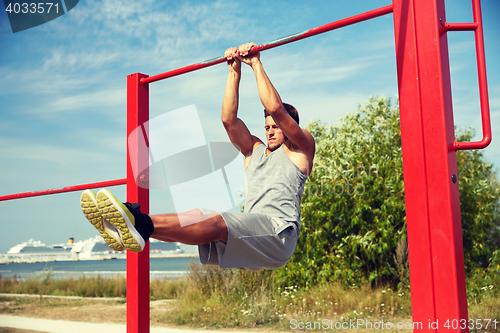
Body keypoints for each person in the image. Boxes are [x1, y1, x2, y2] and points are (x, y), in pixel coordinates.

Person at [80, 42, 315, 270]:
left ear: (290, 127)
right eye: (267, 127)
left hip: (278, 236)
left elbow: (275, 109)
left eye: (276, 126)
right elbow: (228, 120)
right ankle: (136, 226)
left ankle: (137, 221)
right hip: (253, 239)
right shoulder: (254, 151)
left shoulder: (300, 150)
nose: (271, 130)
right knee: (197, 215)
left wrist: (255, 63)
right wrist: (234, 71)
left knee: (217, 221)